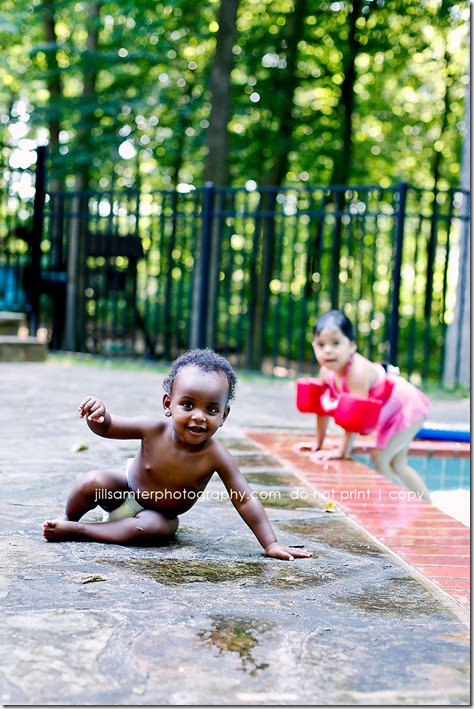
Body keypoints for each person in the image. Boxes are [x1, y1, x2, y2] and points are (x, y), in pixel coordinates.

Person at [42, 348, 312, 561]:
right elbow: (107, 427)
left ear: (224, 416)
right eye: (188, 404)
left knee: (150, 528)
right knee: (93, 481)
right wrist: (97, 415)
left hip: (159, 516)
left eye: (211, 410)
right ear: (168, 404)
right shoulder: (152, 429)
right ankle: (67, 519)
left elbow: (245, 501)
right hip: (123, 492)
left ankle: (82, 531)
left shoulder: (216, 456)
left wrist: (271, 543)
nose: (199, 416)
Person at [308, 310, 432, 501]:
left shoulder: (356, 372)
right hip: (393, 411)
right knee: (398, 464)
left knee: (380, 457)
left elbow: (355, 420)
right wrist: (319, 442)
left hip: (408, 408)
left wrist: (341, 452)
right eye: (321, 344)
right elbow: (322, 409)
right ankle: (428, 505)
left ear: (352, 346)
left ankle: (390, 506)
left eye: (336, 343)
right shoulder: (326, 372)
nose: (328, 350)